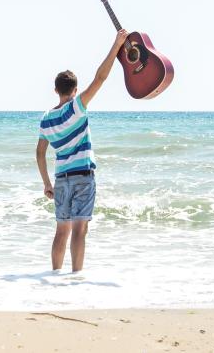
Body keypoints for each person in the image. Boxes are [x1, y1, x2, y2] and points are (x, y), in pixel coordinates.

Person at [36, 29, 129, 272]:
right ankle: (76, 278)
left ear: (56, 90)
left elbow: (39, 152)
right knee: (80, 229)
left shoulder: (46, 119)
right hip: (83, 177)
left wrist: (47, 183)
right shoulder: (77, 108)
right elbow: (100, 78)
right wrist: (117, 45)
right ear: (75, 91)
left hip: (61, 179)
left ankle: (55, 275)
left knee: (61, 230)